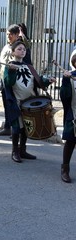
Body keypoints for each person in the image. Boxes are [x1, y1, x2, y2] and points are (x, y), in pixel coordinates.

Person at [3, 41, 56, 163]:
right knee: (17, 128)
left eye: (24, 49)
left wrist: (47, 81)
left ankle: (23, 150)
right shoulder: (9, 66)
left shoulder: (29, 67)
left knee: (27, 126)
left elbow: (37, 80)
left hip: (30, 102)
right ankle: (15, 151)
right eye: (19, 49)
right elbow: (8, 83)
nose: (22, 51)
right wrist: (11, 71)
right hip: (16, 102)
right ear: (13, 52)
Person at [0, 24, 31, 136]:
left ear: (16, 34)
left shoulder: (22, 48)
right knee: (7, 103)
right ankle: (7, 126)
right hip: (4, 78)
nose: (8, 36)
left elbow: (27, 63)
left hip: (17, 81)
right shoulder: (7, 47)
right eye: (7, 34)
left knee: (15, 105)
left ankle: (16, 129)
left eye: (10, 34)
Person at [59, 54, 76, 183]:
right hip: (74, 112)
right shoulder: (70, 77)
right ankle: (65, 168)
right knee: (70, 140)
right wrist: (65, 82)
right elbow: (65, 97)